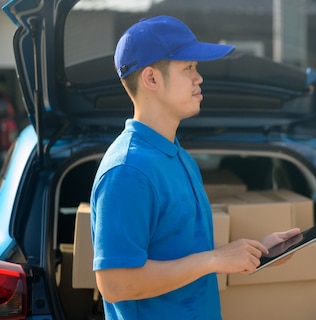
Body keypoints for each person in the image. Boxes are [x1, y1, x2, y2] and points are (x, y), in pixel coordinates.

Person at [90, 15, 300, 320]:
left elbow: (181, 253)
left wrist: (253, 253)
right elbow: (115, 283)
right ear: (151, 79)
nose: (199, 77)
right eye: (188, 68)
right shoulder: (128, 170)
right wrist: (214, 259)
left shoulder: (178, 156)